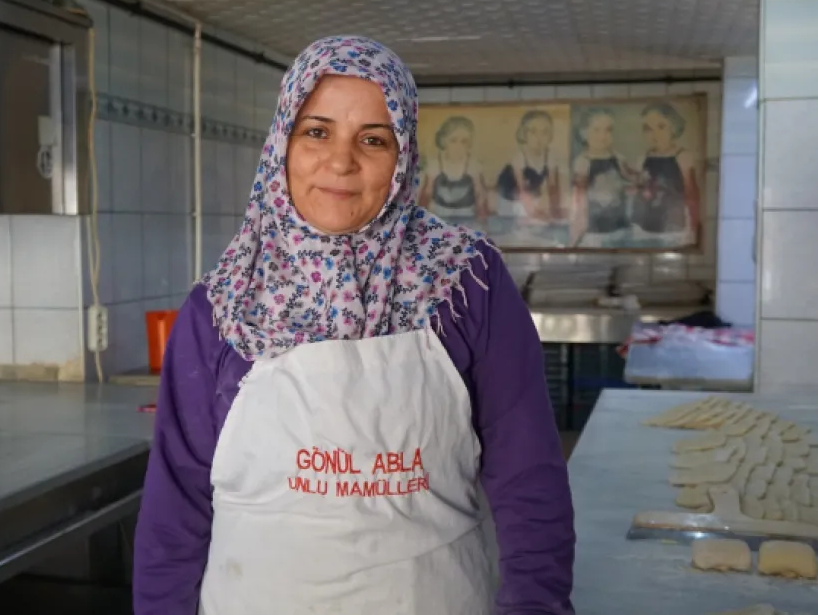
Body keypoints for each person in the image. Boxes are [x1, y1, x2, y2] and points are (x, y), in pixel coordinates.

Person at [132, 35, 575, 615]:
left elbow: (528, 478)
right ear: (281, 145)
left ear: (405, 156)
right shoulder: (222, 308)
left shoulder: (467, 284)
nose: (341, 161)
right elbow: (175, 511)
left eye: (374, 139)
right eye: (317, 132)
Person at [631, 101, 701, 244]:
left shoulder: (683, 156)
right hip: (644, 227)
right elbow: (638, 189)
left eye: (661, 127)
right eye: (648, 128)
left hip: (673, 229)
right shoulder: (642, 158)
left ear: (674, 127)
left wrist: (693, 228)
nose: (654, 134)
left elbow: (691, 193)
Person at [569, 107, 637, 247]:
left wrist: (632, 187)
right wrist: (576, 236)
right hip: (594, 233)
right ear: (583, 133)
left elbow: (633, 181)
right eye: (597, 130)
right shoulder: (583, 162)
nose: (603, 135)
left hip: (621, 228)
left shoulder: (618, 158)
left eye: (608, 130)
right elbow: (579, 200)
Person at [418, 115, 490, 228]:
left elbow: (481, 199)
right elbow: (425, 199)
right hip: (438, 221)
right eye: (453, 140)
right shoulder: (434, 166)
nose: (459, 146)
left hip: (468, 221)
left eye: (464, 141)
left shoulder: (474, 166)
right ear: (443, 141)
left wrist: (483, 225)